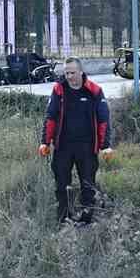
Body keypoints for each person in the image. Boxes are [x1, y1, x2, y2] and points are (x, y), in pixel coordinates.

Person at [39, 58, 114, 225]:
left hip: (87, 147)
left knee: (88, 185)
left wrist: (105, 146)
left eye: (72, 72)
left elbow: (104, 120)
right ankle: (63, 220)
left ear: (81, 71)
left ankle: (87, 220)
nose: (69, 76)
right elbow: (50, 117)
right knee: (61, 185)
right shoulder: (59, 90)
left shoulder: (94, 91)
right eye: (66, 73)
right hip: (63, 146)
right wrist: (45, 142)